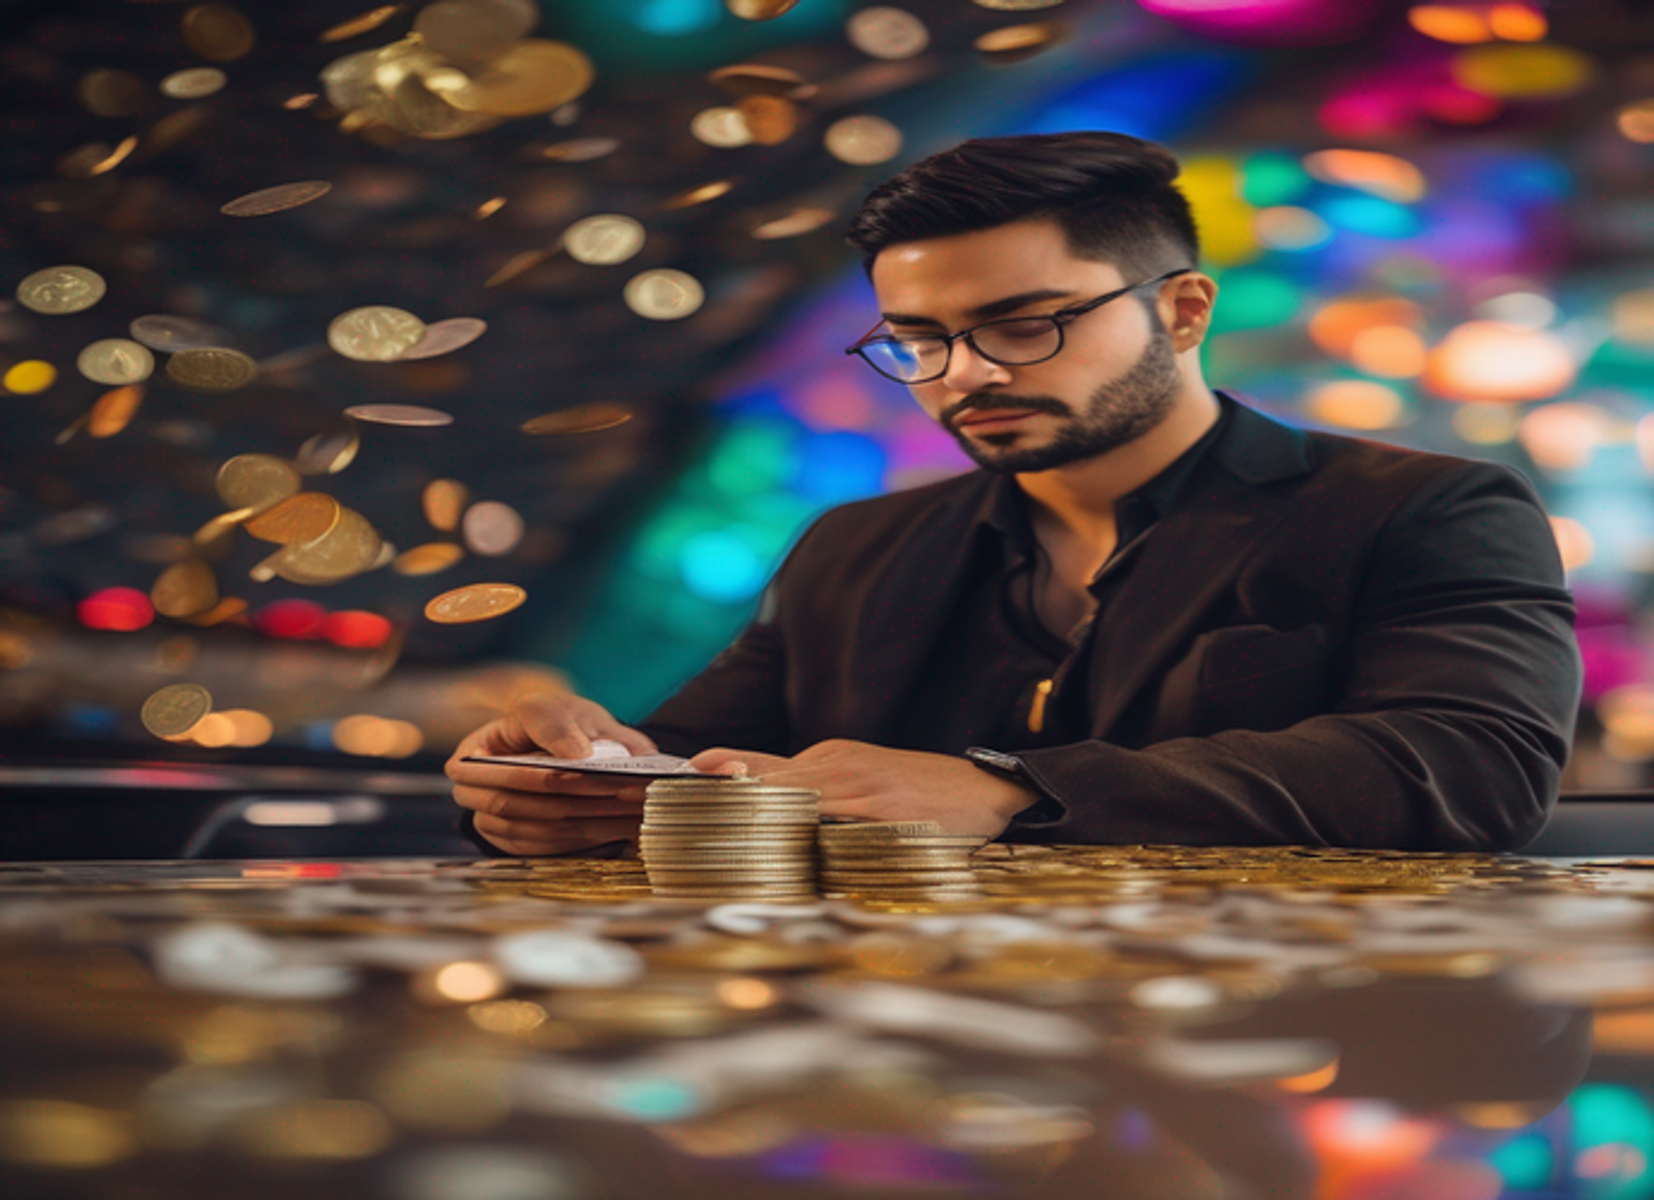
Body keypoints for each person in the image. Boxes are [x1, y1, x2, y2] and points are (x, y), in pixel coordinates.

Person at [446, 131, 1582, 857]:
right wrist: (564, 782)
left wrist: (1007, 790)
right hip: (909, 1055)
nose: (965, 374)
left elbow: (1472, 767)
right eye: (918, 340)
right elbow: (690, 766)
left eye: (1023, 325)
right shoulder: (854, 549)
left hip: (1285, 1045)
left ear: (1183, 310)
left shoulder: (1421, 508)